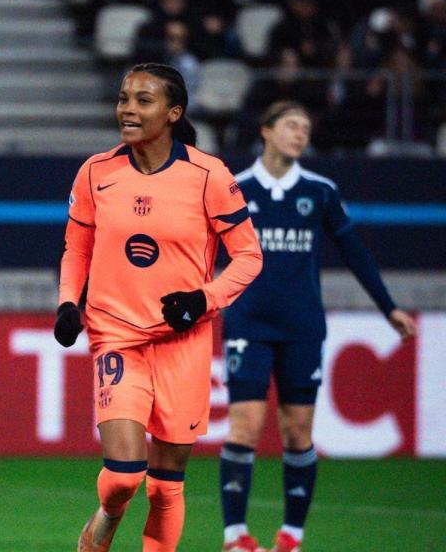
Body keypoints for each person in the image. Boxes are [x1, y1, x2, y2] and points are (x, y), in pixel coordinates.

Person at [54, 62, 263, 552]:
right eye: (124, 98)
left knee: (166, 486)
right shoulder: (96, 172)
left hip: (183, 344)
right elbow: (76, 248)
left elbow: (250, 256)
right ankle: (106, 516)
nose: (128, 108)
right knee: (125, 475)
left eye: (143, 100)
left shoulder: (208, 175)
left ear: (173, 113)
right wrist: (68, 303)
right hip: (117, 335)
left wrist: (202, 298)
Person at [218, 101, 416, 552]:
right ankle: (235, 538)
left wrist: (389, 308)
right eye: (291, 125)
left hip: (302, 326)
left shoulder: (320, 191)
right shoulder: (234, 189)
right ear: (266, 131)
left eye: (306, 128)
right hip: (248, 321)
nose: (300, 134)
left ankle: (291, 536)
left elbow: (355, 254)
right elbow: (203, 247)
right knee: (245, 427)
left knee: (297, 432)